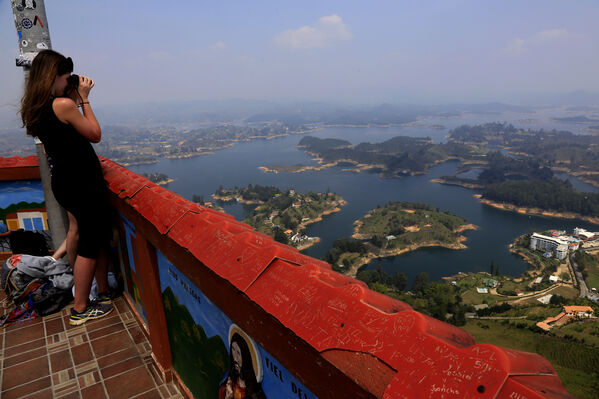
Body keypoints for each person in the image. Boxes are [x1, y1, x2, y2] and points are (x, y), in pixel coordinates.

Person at [20, 50, 114, 325]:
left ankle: (103, 292)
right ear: (54, 75)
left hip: (64, 181)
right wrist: (84, 99)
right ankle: (80, 308)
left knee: (89, 235)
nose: (68, 80)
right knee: (89, 242)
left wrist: (72, 96)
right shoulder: (63, 104)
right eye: (64, 76)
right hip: (81, 182)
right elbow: (94, 135)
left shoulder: (38, 106)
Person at [219, 333, 266, 399]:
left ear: (246, 357)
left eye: (238, 353)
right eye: (233, 349)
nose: (235, 358)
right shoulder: (230, 383)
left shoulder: (255, 393)